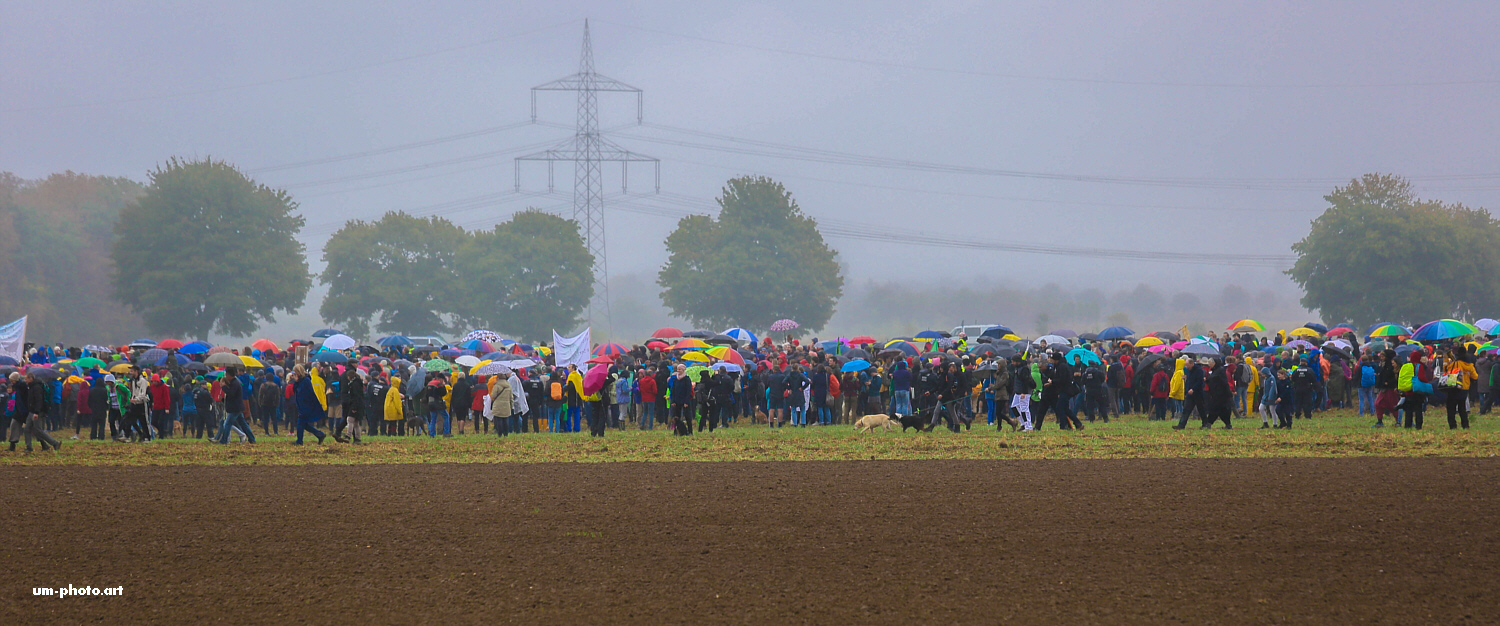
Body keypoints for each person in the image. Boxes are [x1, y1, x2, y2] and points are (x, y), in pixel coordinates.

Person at [215, 367, 256, 444]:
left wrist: (223, 387)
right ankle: (252, 438)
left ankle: (224, 440)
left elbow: (231, 394)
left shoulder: (235, 383)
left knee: (227, 424)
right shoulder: (234, 383)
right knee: (243, 424)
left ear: (229, 375)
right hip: (237, 407)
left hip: (235, 408)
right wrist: (223, 399)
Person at [289, 365, 327, 444]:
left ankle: (300, 441)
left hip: (306, 405)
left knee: (300, 423)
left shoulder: (306, 380)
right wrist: (295, 381)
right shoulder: (300, 380)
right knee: (304, 424)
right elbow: (295, 390)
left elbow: (309, 393)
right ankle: (319, 434)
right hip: (301, 405)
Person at [1441, 347, 1475, 429]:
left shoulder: (1455, 363)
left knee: (1451, 408)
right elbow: (1475, 376)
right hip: (1464, 388)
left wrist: (1446, 360)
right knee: (1462, 408)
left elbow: (1446, 370)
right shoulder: (1469, 364)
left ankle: (1453, 426)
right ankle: (1465, 425)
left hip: (1454, 386)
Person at [338, 367, 364, 443]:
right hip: (358, 405)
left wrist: (354, 407)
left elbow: (356, 396)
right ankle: (358, 438)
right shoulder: (357, 383)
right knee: (356, 423)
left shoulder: (354, 384)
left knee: (350, 419)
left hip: (355, 405)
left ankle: (348, 436)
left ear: (349, 377)